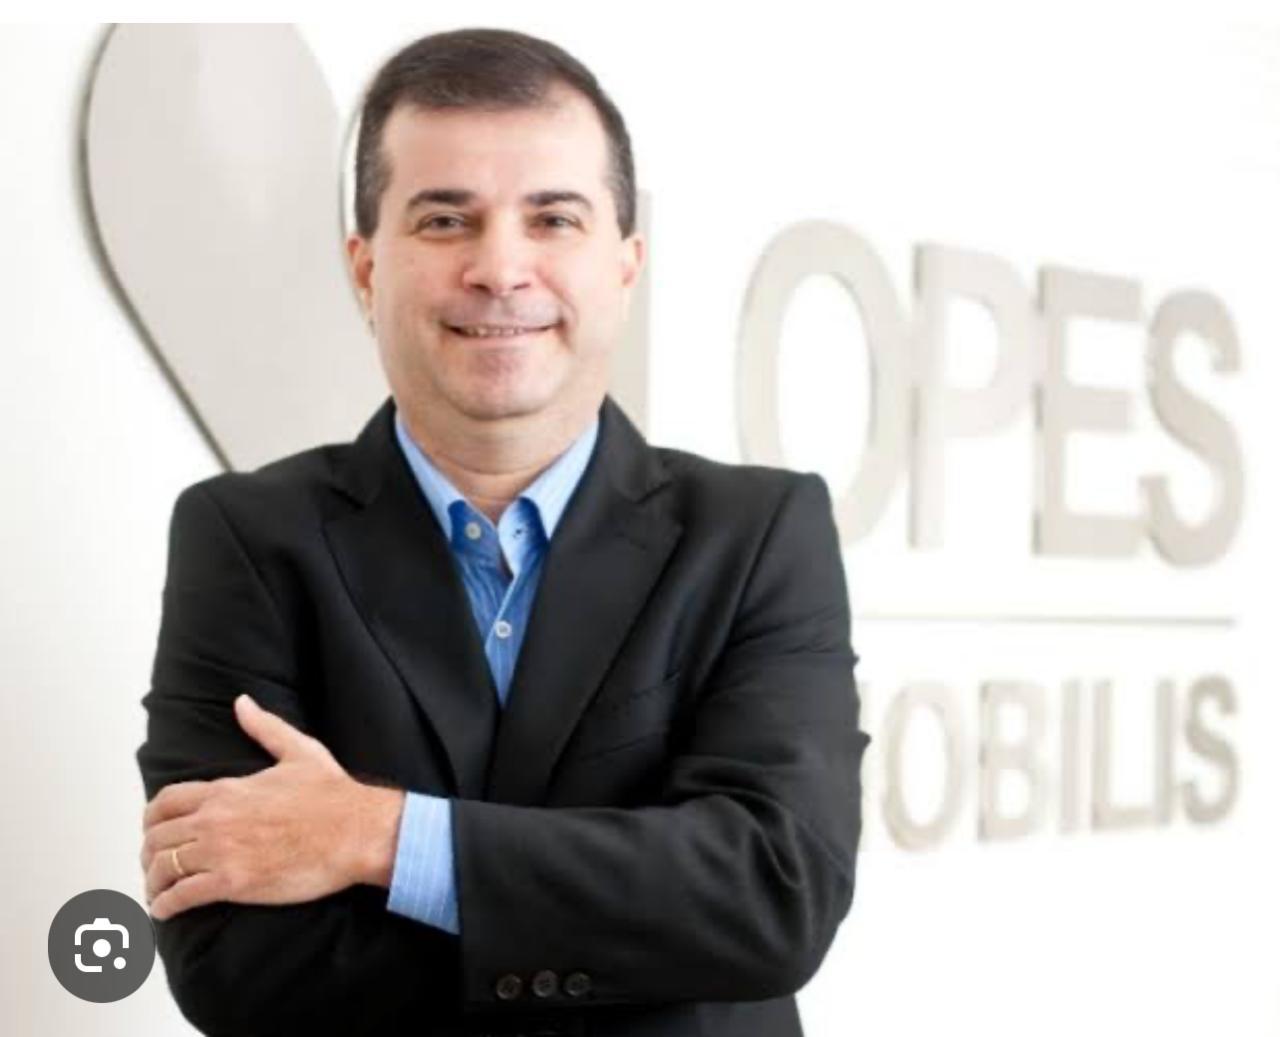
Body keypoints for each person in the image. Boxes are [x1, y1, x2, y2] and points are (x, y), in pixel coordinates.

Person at [136, 26, 870, 1037]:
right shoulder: (245, 539)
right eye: (445, 219)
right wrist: (636, 928)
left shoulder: (757, 535)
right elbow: (231, 963)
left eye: (552, 218)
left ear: (625, 265)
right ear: (364, 267)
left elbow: (771, 894)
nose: (500, 267)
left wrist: (379, 837)